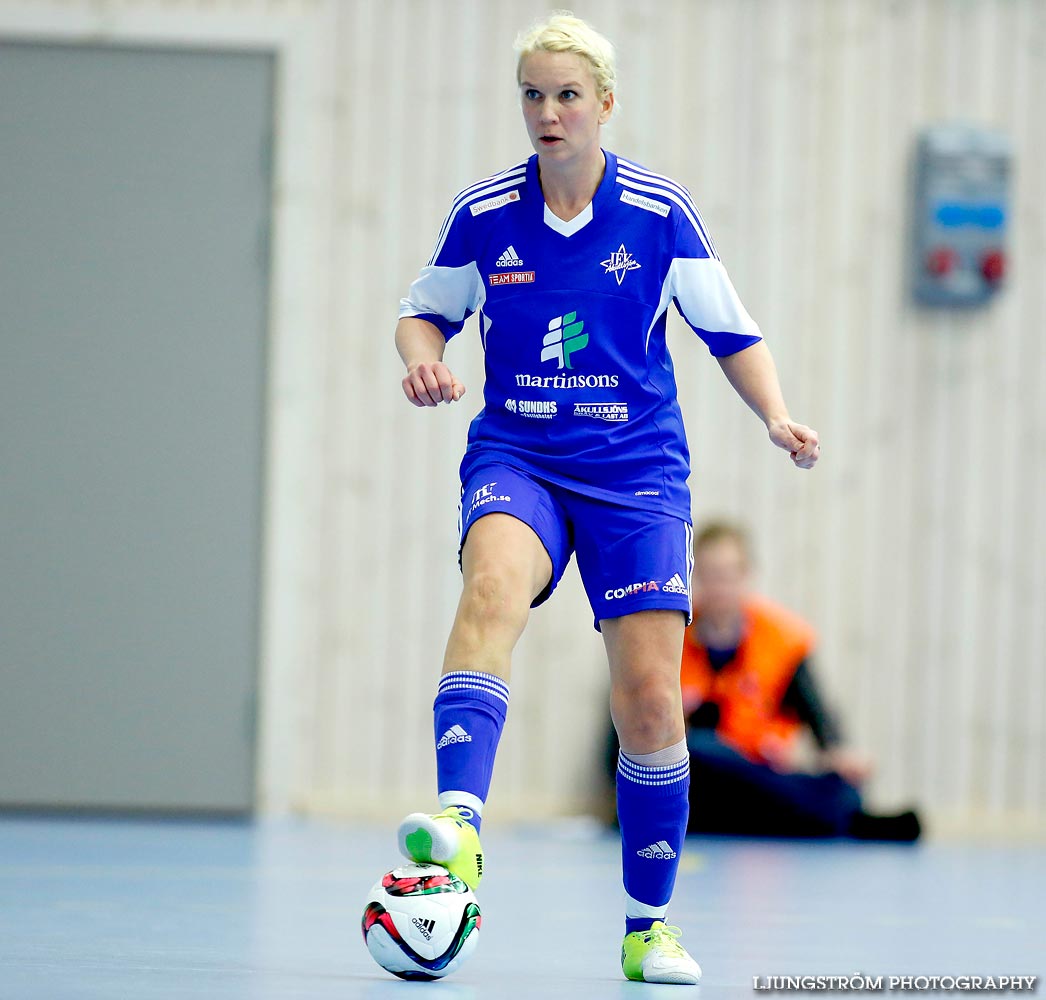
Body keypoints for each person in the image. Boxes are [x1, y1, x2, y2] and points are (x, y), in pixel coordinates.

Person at [392, 12, 819, 985]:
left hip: (634, 473)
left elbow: (727, 331)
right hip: (519, 455)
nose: (548, 112)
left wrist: (775, 416)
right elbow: (423, 313)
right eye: (532, 95)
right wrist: (423, 362)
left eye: (566, 95)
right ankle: (457, 828)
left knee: (649, 704)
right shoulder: (485, 214)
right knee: (490, 590)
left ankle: (646, 926)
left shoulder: (658, 214)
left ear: (603, 104)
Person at [677, 521, 921, 841]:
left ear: (746, 576)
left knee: (838, 785)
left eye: (727, 576)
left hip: (759, 775)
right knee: (698, 752)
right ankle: (842, 818)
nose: (719, 587)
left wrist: (839, 752)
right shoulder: (669, 641)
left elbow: (818, 714)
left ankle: (830, 810)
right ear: (693, 577)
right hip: (699, 780)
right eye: (709, 575)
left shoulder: (780, 641)